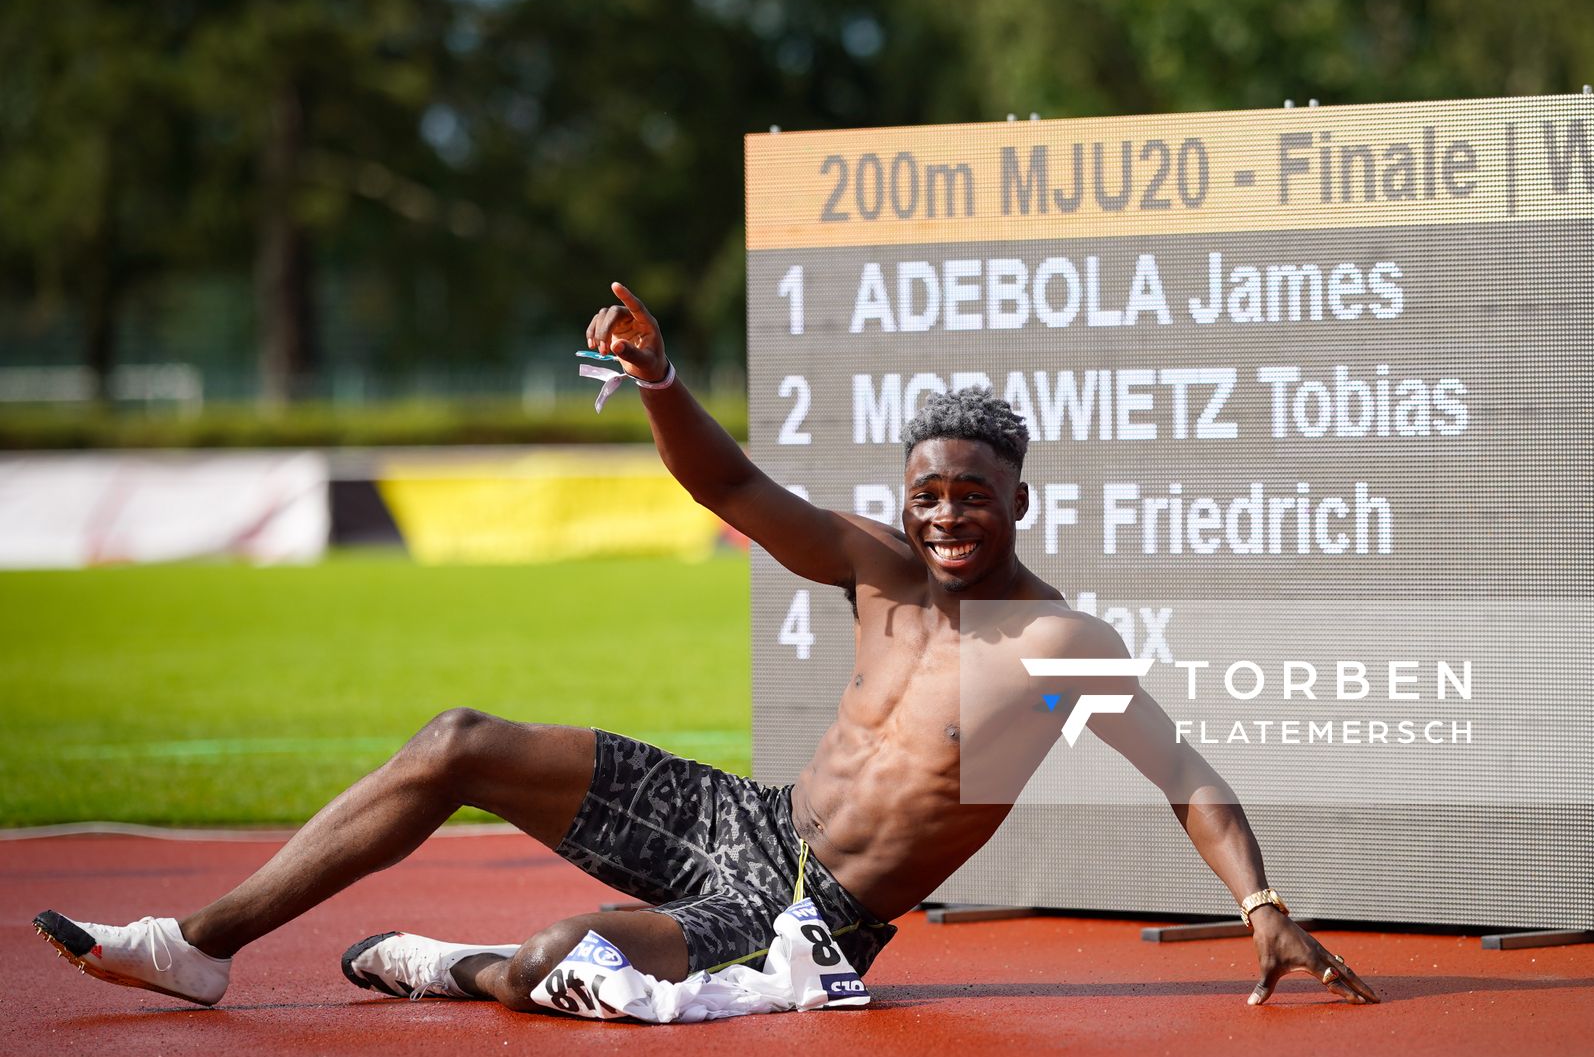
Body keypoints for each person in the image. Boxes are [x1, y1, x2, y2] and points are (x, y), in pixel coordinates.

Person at [33, 281, 1380, 1013]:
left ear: (1021, 498)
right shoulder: (880, 567)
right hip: (744, 818)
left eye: (974, 492)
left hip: (814, 915)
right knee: (455, 742)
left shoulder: (1058, 637)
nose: (948, 513)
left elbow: (1183, 770)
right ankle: (194, 945)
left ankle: (448, 967)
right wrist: (661, 385)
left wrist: (1258, 900)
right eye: (930, 492)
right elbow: (735, 495)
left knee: (569, 950)